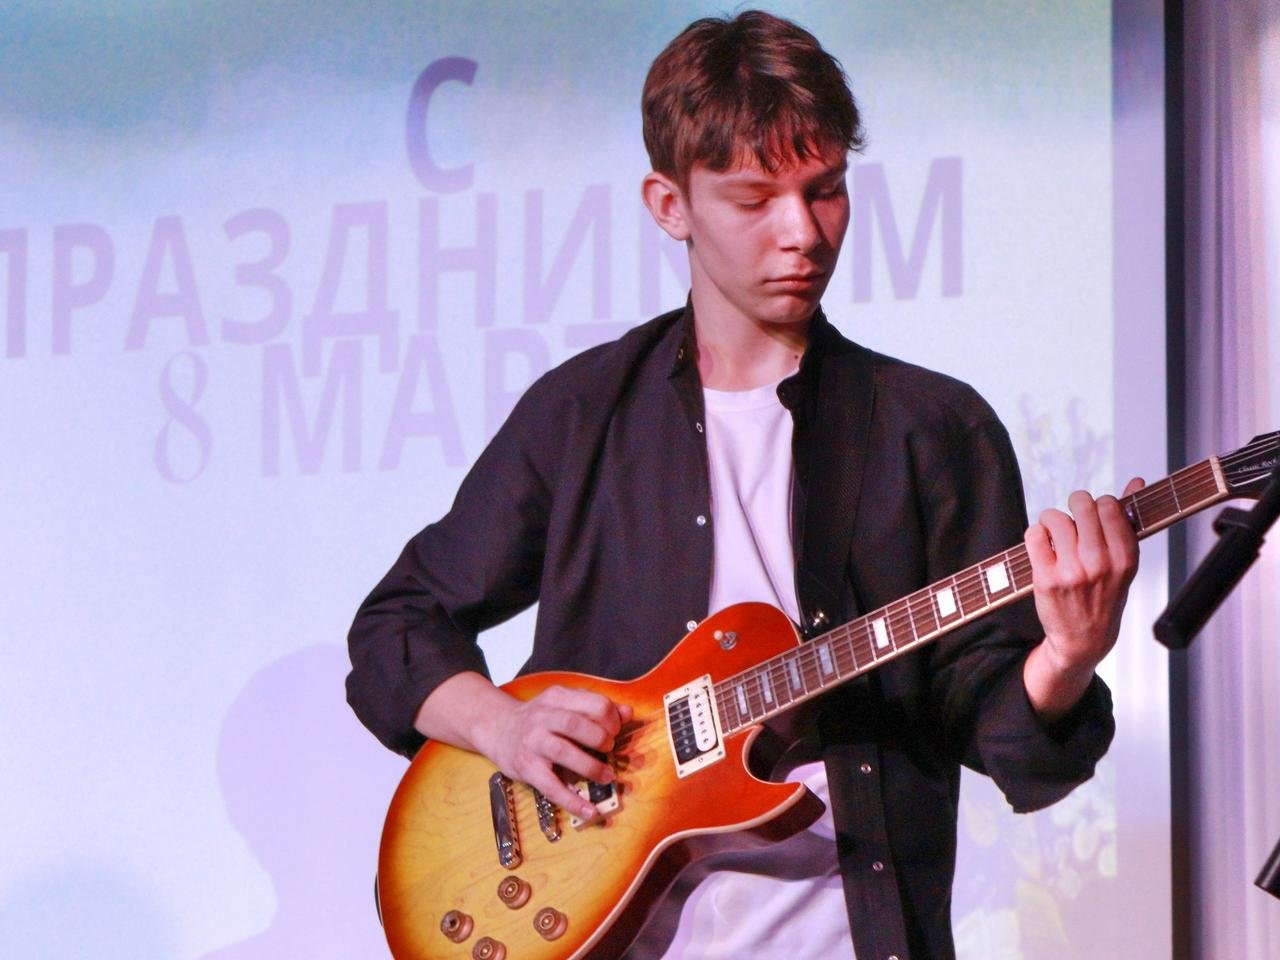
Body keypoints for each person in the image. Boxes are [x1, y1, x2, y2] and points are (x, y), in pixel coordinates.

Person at [346, 11, 1141, 958]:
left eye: (826, 190)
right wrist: (504, 727)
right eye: (755, 199)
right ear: (669, 204)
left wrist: (1068, 656)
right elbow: (396, 627)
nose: (803, 233)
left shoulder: (936, 429)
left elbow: (1002, 733)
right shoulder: (582, 413)